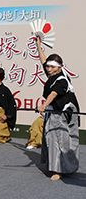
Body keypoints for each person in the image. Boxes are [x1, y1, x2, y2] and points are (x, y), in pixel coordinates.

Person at [36, 37, 80, 181]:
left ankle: (58, 170)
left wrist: (43, 105)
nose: (48, 69)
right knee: (51, 138)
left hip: (63, 113)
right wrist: (38, 46)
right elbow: (43, 61)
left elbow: (53, 94)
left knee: (58, 140)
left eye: (52, 67)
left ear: (60, 67)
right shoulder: (52, 73)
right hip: (54, 111)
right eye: (48, 67)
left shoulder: (61, 79)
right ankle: (57, 165)